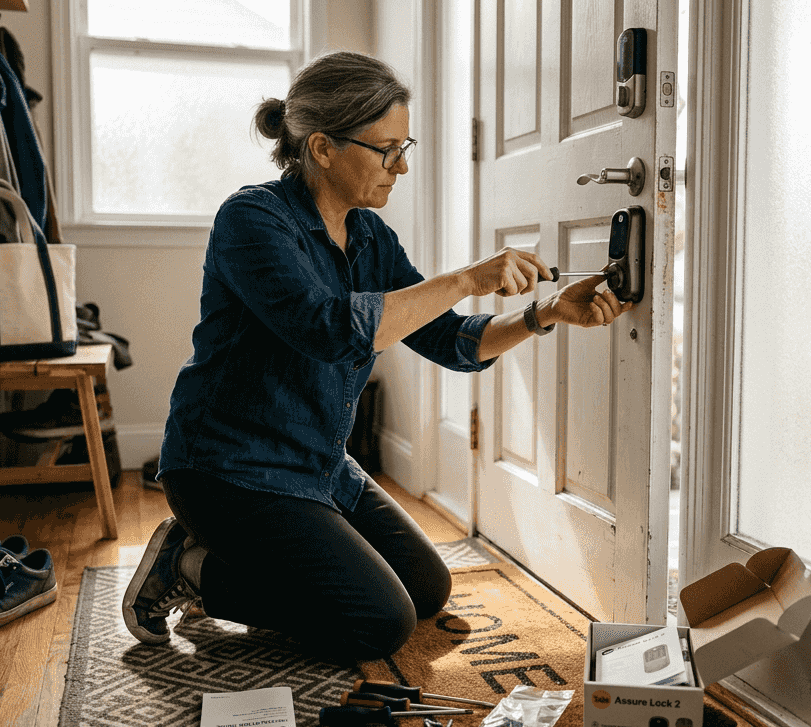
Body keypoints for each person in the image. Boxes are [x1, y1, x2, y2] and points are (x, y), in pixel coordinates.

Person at [123, 51, 634, 661]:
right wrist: (468, 277)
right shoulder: (252, 220)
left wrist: (547, 313)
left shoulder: (369, 235)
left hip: (316, 462)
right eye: (387, 150)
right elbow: (330, 330)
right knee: (377, 621)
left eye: (405, 146)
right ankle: (190, 565)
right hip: (229, 470)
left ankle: (234, 558)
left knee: (426, 589)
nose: (403, 166)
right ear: (322, 148)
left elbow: (451, 341)